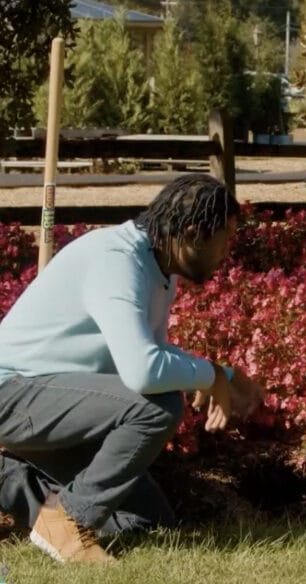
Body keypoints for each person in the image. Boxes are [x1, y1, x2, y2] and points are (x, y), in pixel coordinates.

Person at [0, 174, 264, 563]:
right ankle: (69, 521)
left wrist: (224, 375)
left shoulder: (157, 268)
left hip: (52, 404)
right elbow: (143, 372)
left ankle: (11, 482)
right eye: (225, 239)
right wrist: (210, 375)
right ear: (192, 235)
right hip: (13, 393)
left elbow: (149, 352)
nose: (227, 252)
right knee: (158, 406)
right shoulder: (117, 261)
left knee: (148, 524)